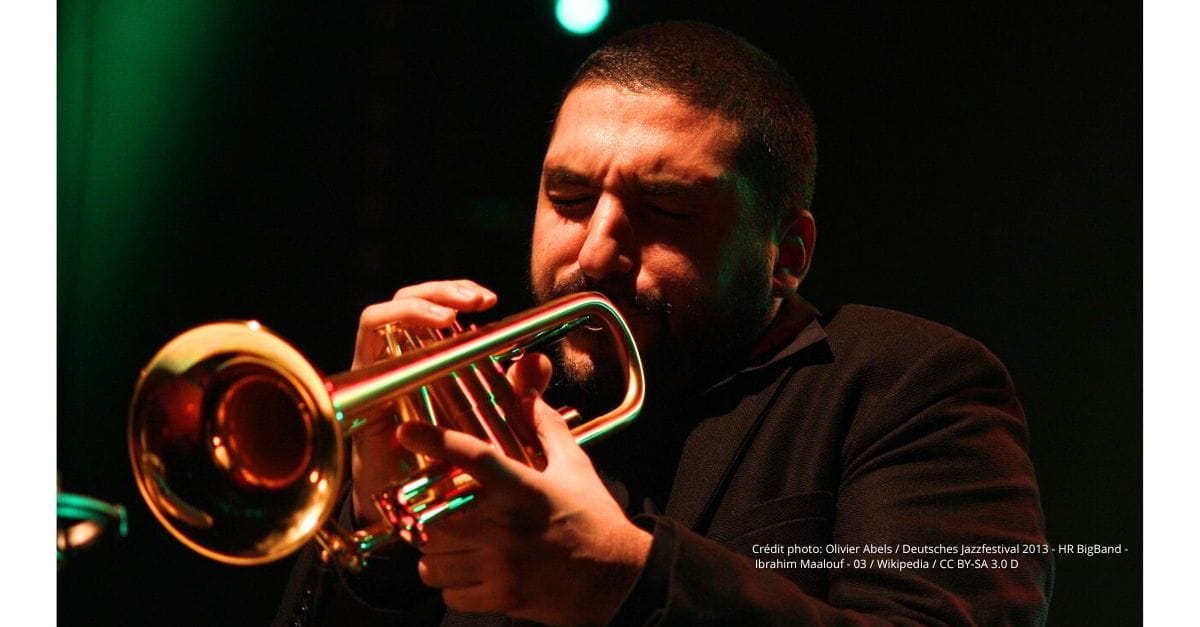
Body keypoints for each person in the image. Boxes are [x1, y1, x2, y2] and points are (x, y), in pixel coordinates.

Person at [275, 20, 1052, 626]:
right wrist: (380, 536)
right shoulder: (489, 401)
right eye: (570, 199)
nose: (597, 251)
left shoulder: (910, 385)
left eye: (667, 210)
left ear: (787, 254)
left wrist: (625, 580)